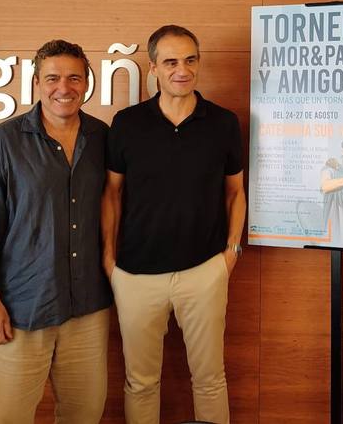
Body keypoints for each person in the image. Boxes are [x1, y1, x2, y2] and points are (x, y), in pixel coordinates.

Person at [0, 40, 111, 424]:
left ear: (87, 83)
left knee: (85, 417)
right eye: (54, 77)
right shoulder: (1, 144)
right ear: (37, 82)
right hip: (20, 312)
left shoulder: (104, 139)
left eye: (75, 77)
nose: (64, 87)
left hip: (87, 311)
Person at [102, 24, 245, 424]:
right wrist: (110, 261)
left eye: (190, 59)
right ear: (152, 68)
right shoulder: (127, 123)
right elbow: (111, 194)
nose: (182, 69)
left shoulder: (222, 123)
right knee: (141, 382)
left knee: (210, 379)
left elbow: (235, 191)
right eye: (170, 61)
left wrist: (230, 253)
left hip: (204, 271)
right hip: (135, 275)